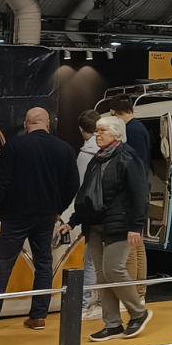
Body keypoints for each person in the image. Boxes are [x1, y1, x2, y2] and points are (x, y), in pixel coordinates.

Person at [0, 108, 79, 335]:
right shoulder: (64, 148)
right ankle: (38, 317)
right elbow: (73, 184)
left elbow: (2, 182)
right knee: (44, 265)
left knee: (2, 266)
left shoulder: (14, 146)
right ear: (47, 124)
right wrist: (58, 209)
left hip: (14, 216)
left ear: (26, 124)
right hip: (46, 216)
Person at [66, 115, 152, 341]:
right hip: (94, 224)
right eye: (96, 130)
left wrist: (136, 226)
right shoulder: (98, 159)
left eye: (102, 130)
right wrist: (72, 222)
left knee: (114, 269)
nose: (97, 134)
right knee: (102, 275)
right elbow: (87, 195)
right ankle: (112, 323)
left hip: (120, 225)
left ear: (116, 133)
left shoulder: (128, 157)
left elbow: (140, 195)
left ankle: (138, 312)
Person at [107, 95, 148, 300]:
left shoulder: (130, 131)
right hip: (141, 190)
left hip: (132, 194)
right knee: (138, 246)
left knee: (131, 248)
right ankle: (139, 292)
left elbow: (134, 165)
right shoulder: (140, 127)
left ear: (114, 113)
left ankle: (131, 294)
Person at [77, 110, 102, 319]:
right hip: (109, 214)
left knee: (90, 260)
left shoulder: (85, 155)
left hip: (92, 214)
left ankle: (86, 303)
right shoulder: (119, 151)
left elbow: (81, 188)